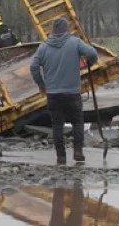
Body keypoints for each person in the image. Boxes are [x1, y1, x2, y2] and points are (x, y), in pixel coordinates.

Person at [30, 18, 98, 165]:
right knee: (78, 122)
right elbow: (92, 53)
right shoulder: (75, 42)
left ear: (53, 30)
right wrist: (90, 62)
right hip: (72, 92)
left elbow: (34, 67)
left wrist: (41, 85)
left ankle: (61, 156)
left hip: (53, 94)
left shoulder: (43, 47)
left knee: (57, 125)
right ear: (66, 29)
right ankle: (78, 151)